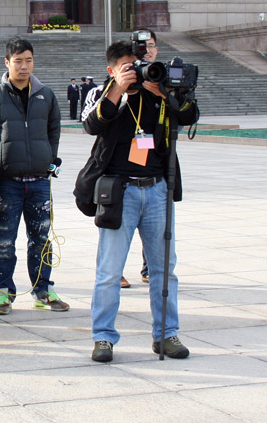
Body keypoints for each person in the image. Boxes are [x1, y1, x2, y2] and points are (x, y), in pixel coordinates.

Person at [74, 40, 199, 363]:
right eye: (128, 67)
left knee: (163, 270)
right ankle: (103, 338)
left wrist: (163, 94)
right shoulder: (105, 92)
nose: (137, 71)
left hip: (158, 190)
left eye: (138, 64)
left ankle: (166, 334)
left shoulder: (157, 87)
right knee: (110, 271)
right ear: (112, 70)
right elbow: (93, 124)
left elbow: (190, 114)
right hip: (120, 192)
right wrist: (118, 88)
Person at [0, 37, 66, 315]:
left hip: (39, 182)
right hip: (7, 182)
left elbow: (54, 132)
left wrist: (49, 161)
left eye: (28, 60)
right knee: (4, 239)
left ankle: (43, 290)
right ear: (7, 63)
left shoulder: (46, 95)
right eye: (18, 61)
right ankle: (3, 292)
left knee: (41, 238)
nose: (24, 66)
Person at [119, 27, 160, 287]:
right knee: (120, 231)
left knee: (156, 232)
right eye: (143, 47)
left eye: (153, 46)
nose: (148, 51)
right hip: (123, 175)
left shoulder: (162, 80)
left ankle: (149, 268)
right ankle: (119, 270)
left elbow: (187, 117)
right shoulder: (121, 81)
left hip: (155, 174)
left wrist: (162, 93)